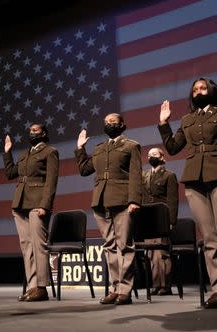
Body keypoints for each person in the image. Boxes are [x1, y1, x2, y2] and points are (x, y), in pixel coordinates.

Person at [158, 77, 217, 310]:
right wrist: (164, 123)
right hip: (194, 179)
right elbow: (173, 147)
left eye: (202, 88)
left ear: (212, 90)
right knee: (208, 237)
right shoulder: (187, 119)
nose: (198, 92)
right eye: (195, 89)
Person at [75, 113, 142, 305]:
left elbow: (136, 175)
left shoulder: (131, 146)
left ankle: (125, 290)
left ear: (122, 125)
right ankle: (115, 288)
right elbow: (85, 170)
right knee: (110, 246)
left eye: (113, 122)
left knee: (125, 245)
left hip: (122, 200)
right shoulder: (100, 148)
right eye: (106, 123)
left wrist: (134, 200)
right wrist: (80, 148)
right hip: (101, 200)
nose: (109, 125)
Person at [3, 123, 59, 302]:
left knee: (38, 245)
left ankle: (42, 288)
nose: (32, 133)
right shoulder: (25, 154)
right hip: (20, 203)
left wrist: (45, 205)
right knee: (26, 246)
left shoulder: (50, 152)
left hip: (37, 203)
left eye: (36, 130)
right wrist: (7, 152)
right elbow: (11, 173)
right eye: (30, 131)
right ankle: (32, 286)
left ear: (44, 133)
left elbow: (51, 181)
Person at [142, 147, 179, 296]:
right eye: (149, 155)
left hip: (162, 218)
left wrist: (171, 220)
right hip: (148, 218)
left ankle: (165, 285)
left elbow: (172, 200)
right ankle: (156, 284)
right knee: (151, 253)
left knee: (162, 253)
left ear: (162, 157)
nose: (151, 156)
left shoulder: (169, 176)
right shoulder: (144, 176)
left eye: (155, 154)